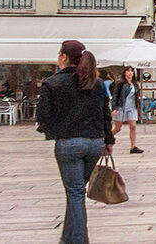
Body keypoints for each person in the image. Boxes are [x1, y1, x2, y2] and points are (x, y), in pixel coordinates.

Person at [37, 40, 114, 244]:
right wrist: (108, 140)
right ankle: (68, 238)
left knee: (75, 193)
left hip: (69, 142)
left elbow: (43, 116)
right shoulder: (96, 83)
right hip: (95, 143)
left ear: (64, 57)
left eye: (59, 54)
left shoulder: (52, 83)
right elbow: (105, 114)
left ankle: (78, 240)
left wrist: (55, 131)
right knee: (77, 192)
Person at [110, 64, 145, 153]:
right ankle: (106, 138)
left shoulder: (135, 84)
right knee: (117, 128)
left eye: (131, 71)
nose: (130, 73)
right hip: (121, 107)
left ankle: (133, 146)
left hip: (132, 107)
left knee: (133, 126)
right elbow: (115, 96)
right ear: (124, 73)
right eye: (128, 71)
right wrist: (114, 108)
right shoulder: (120, 83)